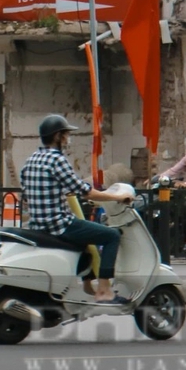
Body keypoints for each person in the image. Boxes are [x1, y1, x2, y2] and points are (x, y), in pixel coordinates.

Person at [19, 114, 135, 303]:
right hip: (59, 225)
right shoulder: (56, 160)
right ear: (57, 136)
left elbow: (27, 193)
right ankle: (105, 291)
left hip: (38, 225)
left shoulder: (31, 160)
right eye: (65, 134)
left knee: (85, 237)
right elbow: (86, 192)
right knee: (111, 236)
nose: (67, 139)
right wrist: (117, 197)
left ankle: (88, 287)